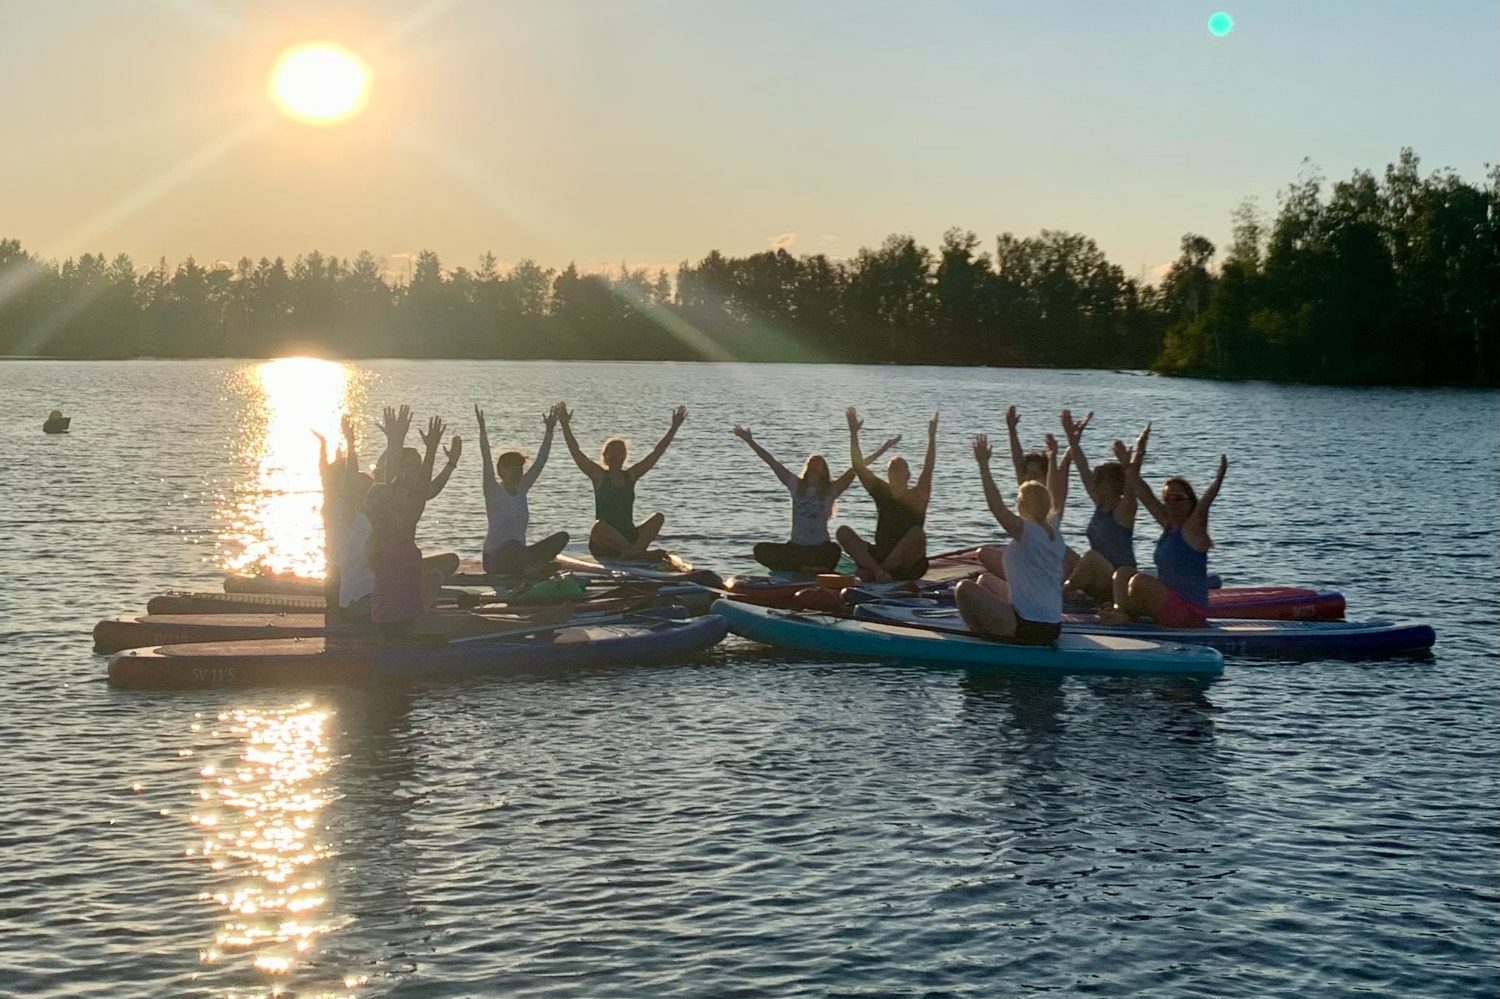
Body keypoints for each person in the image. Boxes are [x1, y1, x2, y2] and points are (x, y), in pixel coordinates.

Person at [733, 424, 900, 573]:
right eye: (812, 462)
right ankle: (806, 567)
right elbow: (771, 461)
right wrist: (750, 441)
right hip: (796, 548)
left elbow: (858, 468)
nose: (814, 465)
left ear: (823, 470)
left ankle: (805, 566)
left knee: (834, 550)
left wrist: (883, 447)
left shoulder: (832, 490)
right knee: (760, 550)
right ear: (807, 467)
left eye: (819, 463)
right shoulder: (795, 485)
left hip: (820, 549)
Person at [954, 433, 1070, 644]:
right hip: (1052, 627)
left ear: (1023, 505)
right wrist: (1053, 458)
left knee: (964, 588)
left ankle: (983, 643)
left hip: (1028, 627)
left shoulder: (1026, 530)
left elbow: (995, 506)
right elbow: (1057, 492)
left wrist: (983, 466)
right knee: (985, 580)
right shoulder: (1053, 525)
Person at [366, 406, 462, 640]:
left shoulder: (382, 530)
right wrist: (399, 445)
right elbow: (396, 482)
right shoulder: (403, 519)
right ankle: (534, 623)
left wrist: (448, 463)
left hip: (384, 619)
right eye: (411, 466)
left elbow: (422, 488)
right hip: (403, 623)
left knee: (441, 570)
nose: (416, 472)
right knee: (469, 622)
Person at [1104, 455, 1229, 629]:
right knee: (1123, 573)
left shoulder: (1193, 530)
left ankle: (1123, 618)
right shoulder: (1168, 525)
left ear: (1190, 501)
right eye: (1168, 499)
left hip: (1189, 613)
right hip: (1168, 603)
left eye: (1178, 498)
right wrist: (1127, 464)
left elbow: (1204, 506)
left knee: (1140, 580)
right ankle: (1120, 612)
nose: (1172, 503)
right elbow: (1145, 496)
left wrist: (1218, 480)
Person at [557, 402, 687, 559]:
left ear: (625, 456)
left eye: (621, 452)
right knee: (599, 526)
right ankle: (637, 553)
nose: (617, 455)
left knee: (658, 517)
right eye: (613, 452)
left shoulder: (631, 476)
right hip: (604, 543)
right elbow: (576, 452)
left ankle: (633, 553)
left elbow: (656, 453)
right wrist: (565, 425)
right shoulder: (599, 476)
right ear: (605, 456)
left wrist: (674, 428)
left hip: (629, 538)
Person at [836, 407, 937, 582]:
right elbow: (858, 467)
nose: (895, 472)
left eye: (899, 469)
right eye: (892, 469)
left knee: (917, 534)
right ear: (888, 474)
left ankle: (878, 573)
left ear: (907, 475)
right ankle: (879, 572)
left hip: (909, 564)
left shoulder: (917, 496)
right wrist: (853, 433)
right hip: (881, 555)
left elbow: (928, 469)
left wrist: (932, 438)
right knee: (843, 532)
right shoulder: (881, 490)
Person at [1062, 414, 1150, 603]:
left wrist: (1139, 453)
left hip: (1117, 584)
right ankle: (1066, 591)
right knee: (1061, 550)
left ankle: (1062, 593)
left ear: (1114, 485)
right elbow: (1082, 467)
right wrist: (1072, 438)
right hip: (1096, 580)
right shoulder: (1100, 503)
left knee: (1092, 558)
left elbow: (1132, 484)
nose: (1095, 481)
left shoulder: (1124, 511)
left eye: (1100, 479)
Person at [476, 403, 569, 577]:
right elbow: (486, 459)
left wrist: (549, 431)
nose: (518, 471)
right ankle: (533, 567)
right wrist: (483, 432)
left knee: (562, 537)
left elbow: (540, 461)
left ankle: (531, 566)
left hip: (520, 554)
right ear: (501, 470)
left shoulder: (522, 489)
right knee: (513, 546)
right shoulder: (493, 490)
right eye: (512, 467)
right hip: (495, 559)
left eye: (520, 467)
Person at [313, 415, 376, 623]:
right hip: (337, 575)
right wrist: (349, 444)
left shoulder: (343, 504)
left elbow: (328, 473)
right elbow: (329, 473)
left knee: (335, 618)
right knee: (337, 618)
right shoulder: (339, 504)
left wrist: (325, 446)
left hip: (338, 573)